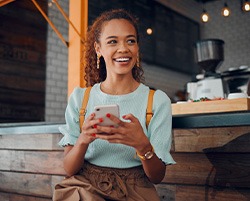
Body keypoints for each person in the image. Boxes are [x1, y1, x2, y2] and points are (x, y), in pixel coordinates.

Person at [53, 8, 175, 201]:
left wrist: (143, 145)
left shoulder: (157, 101)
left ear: (137, 48)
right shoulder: (80, 98)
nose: (123, 48)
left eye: (130, 41)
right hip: (86, 188)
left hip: (137, 190)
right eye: (112, 41)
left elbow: (157, 177)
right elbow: (68, 168)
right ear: (98, 49)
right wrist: (83, 139)